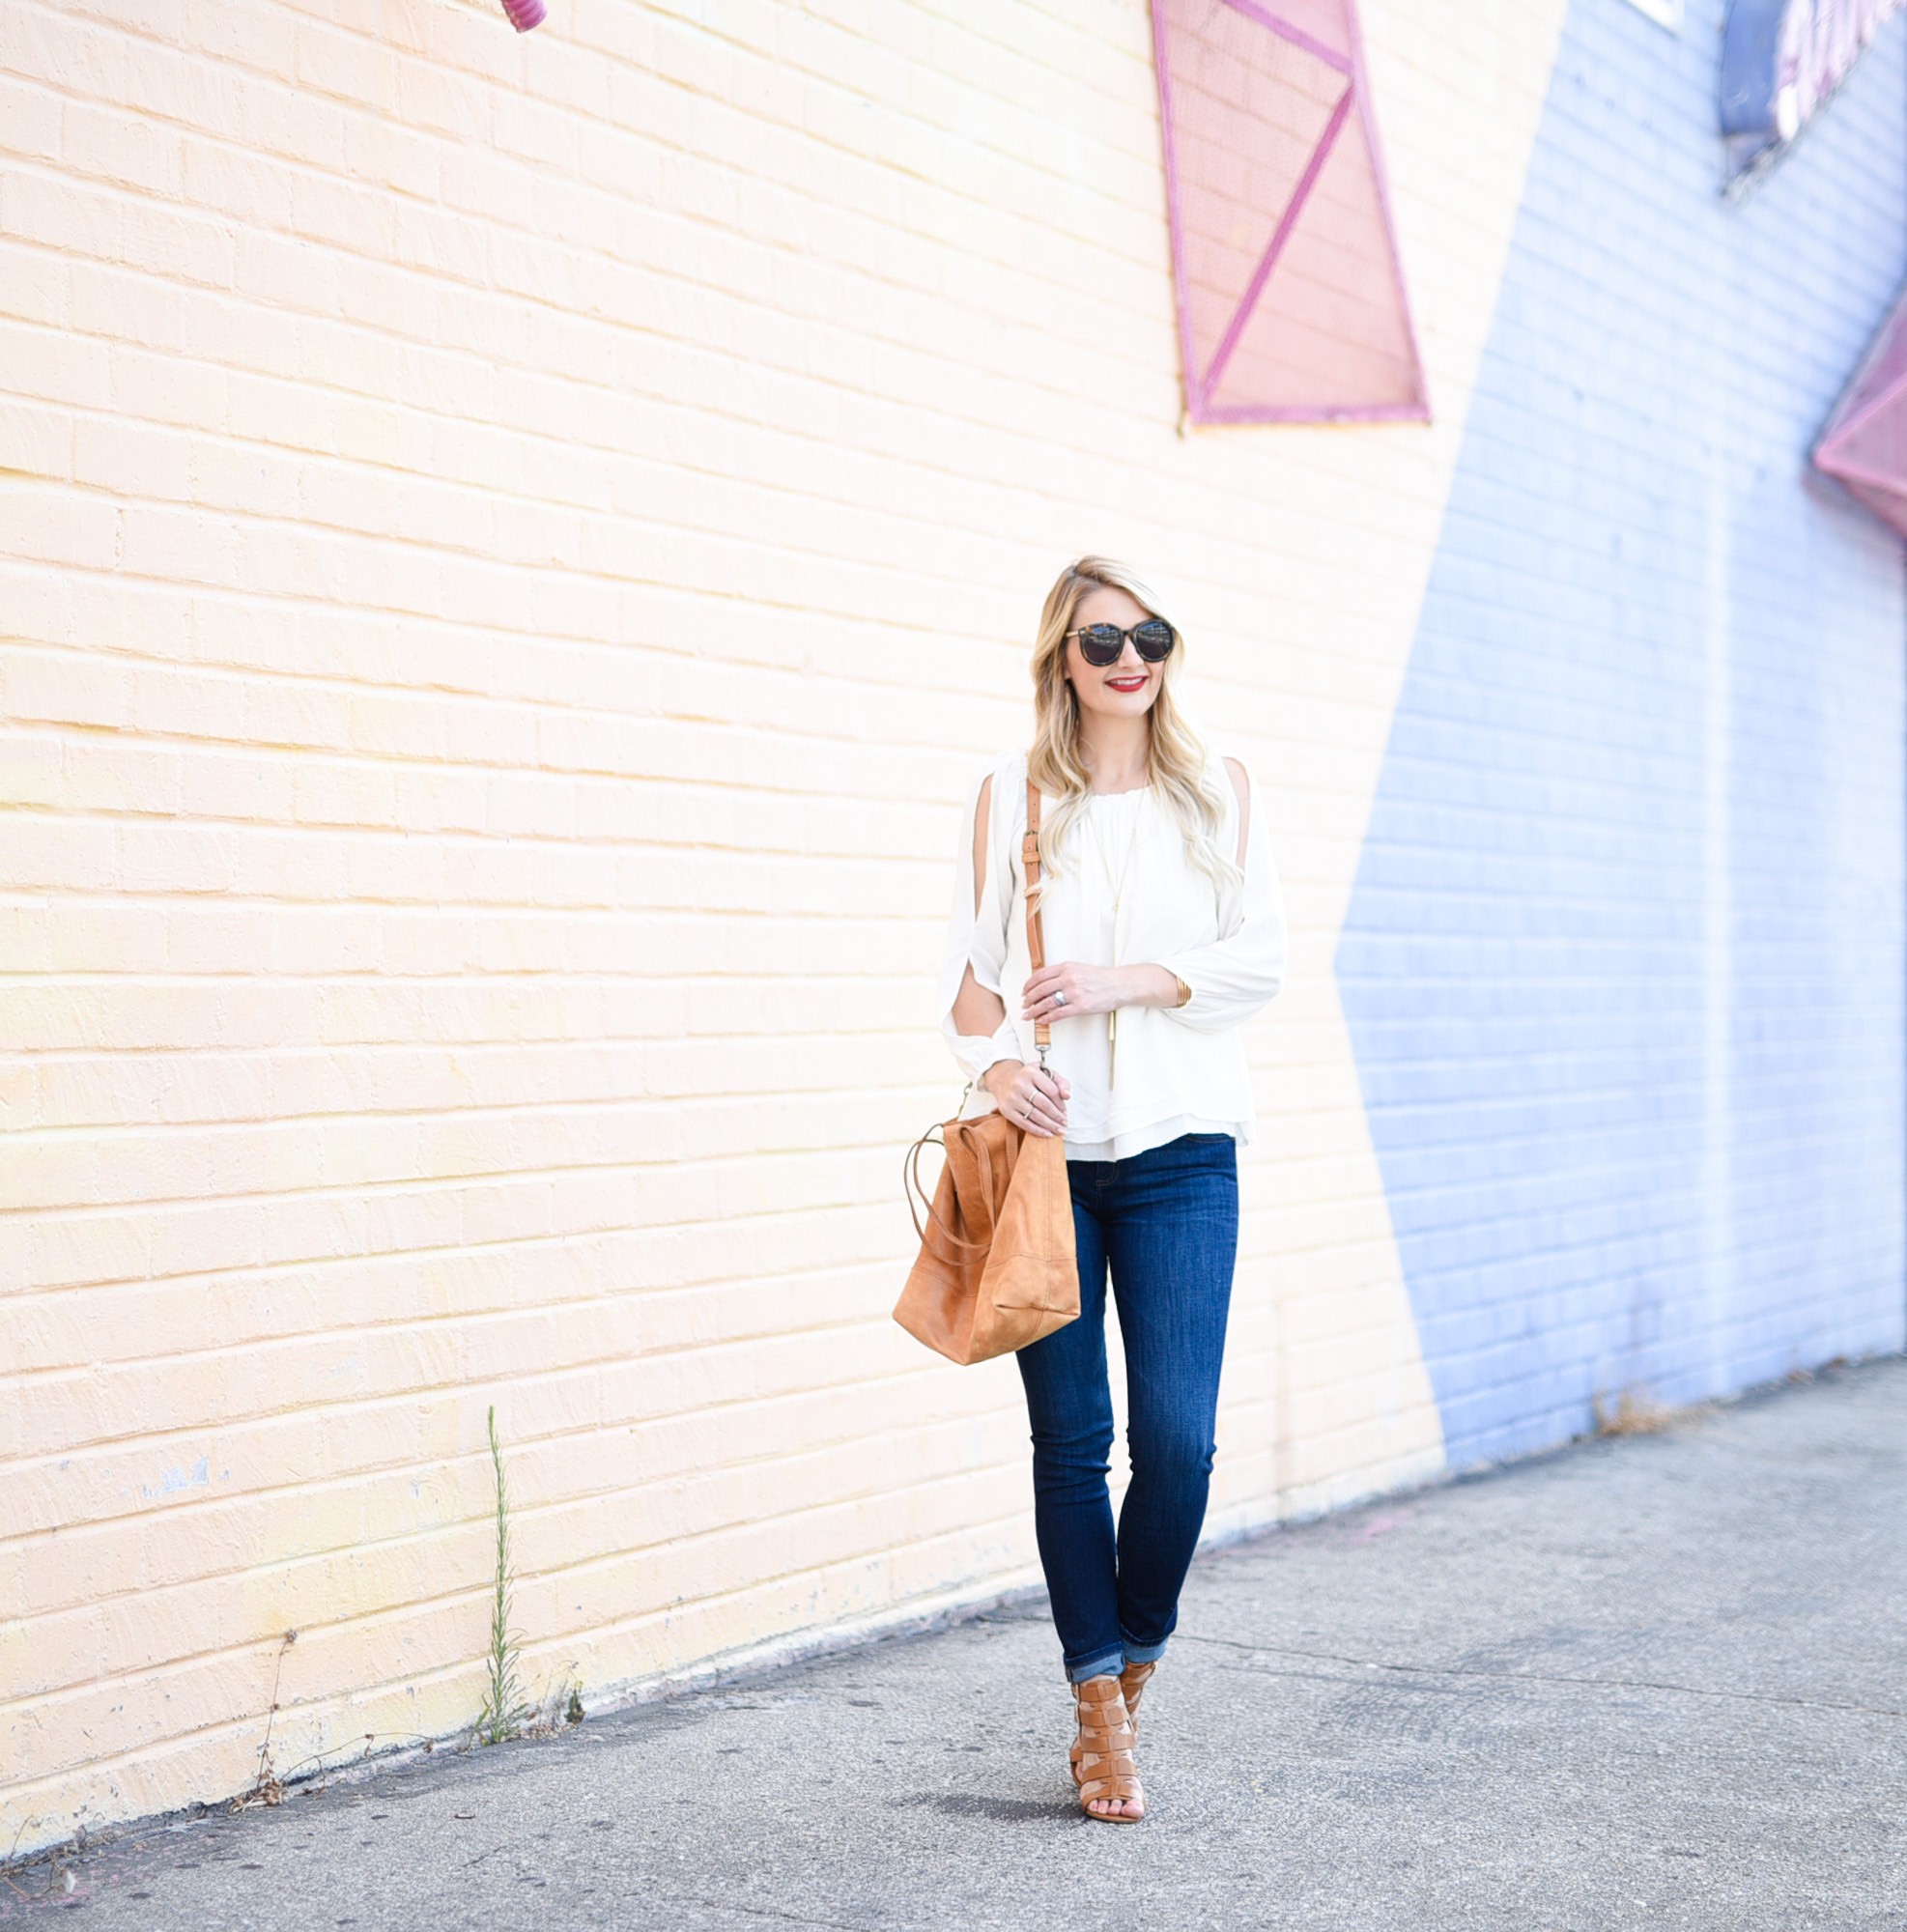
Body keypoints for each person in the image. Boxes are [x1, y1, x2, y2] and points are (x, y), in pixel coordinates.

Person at [937, 556, 1288, 1822]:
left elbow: (1261, 964)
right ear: (1061, 662)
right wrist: (991, 1073)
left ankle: (1134, 1651)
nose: (1129, 658)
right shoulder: (1011, 798)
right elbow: (971, 986)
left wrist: (1124, 980)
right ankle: (1096, 1705)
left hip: (1187, 1154)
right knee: (1072, 1444)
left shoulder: (1220, 795)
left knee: (1179, 1444)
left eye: (1149, 634)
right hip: (1053, 1171)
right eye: (1102, 641)